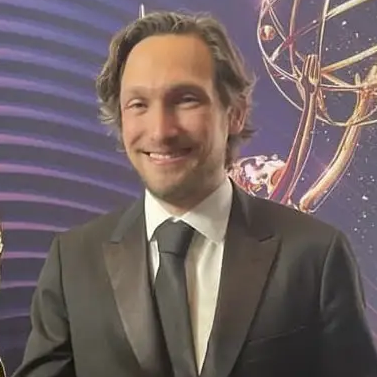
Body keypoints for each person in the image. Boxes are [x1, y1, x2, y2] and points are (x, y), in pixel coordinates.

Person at [13, 10, 377, 377]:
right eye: (138, 104)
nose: (160, 130)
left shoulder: (316, 255)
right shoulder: (72, 262)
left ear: (235, 113)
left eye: (186, 99)